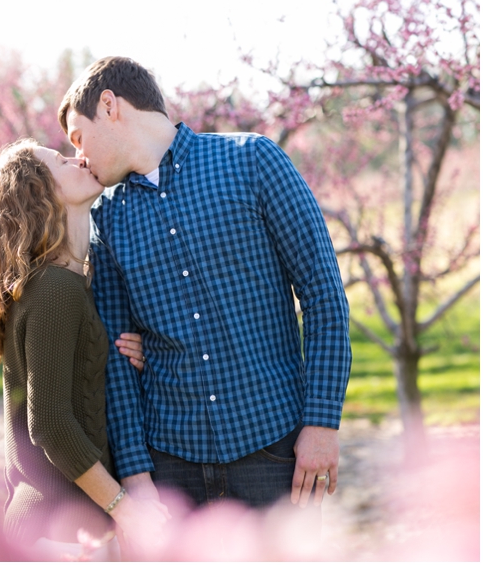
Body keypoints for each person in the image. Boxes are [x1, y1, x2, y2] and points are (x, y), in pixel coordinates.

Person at [57, 57, 352, 516]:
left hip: (274, 453)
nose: (79, 155)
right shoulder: (107, 217)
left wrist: (322, 422)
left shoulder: (253, 162)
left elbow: (323, 296)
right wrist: (136, 476)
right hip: (172, 469)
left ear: (110, 106)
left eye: (79, 137)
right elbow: (117, 358)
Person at [0, 139, 169, 559]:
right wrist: (124, 508)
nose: (78, 158)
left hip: (61, 527)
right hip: (56, 530)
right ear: (39, 192)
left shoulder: (69, 282)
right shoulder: (54, 289)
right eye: (60, 160)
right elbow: (51, 422)